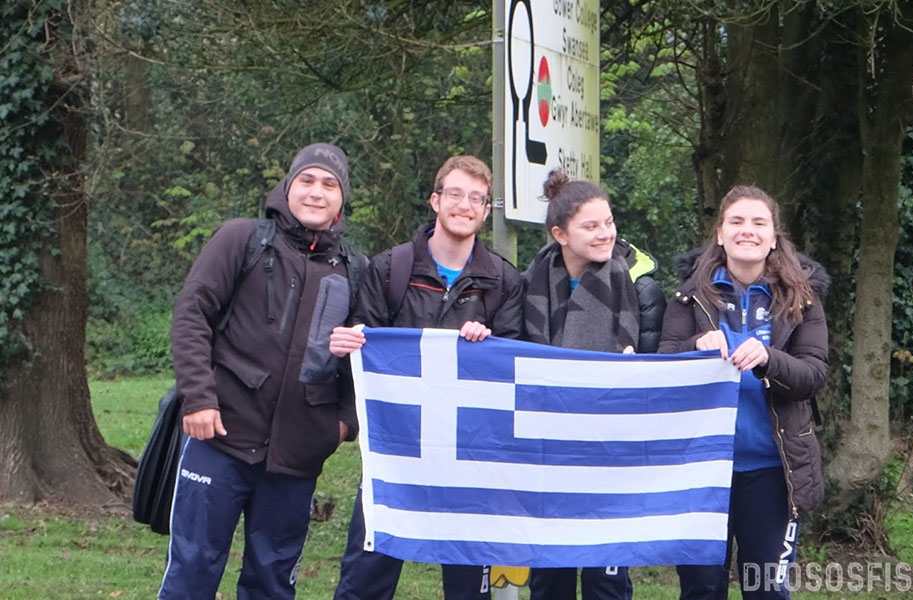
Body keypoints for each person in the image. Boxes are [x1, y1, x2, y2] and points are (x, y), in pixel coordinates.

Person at [161, 143, 367, 599]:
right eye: (307, 181)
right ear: (288, 187)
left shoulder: (355, 269)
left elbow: (365, 357)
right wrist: (198, 396)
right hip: (219, 437)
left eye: (329, 185)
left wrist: (342, 425)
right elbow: (192, 315)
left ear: (341, 199)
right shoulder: (242, 239)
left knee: (272, 582)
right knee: (193, 570)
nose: (317, 192)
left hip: (296, 456)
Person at [328, 155, 524, 600]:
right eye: (455, 194)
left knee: (469, 586)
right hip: (397, 450)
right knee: (366, 576)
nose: (464, 205)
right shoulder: (389, 269)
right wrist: (350, 345)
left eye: (477, 198)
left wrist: (488, 346)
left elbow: (511, 365)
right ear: (436, 200)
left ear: (485, 210)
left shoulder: (504, 281)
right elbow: (365, 351)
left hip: (471, 455)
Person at [657, 185, 829, 600]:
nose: (746, 230)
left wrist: (770, 358)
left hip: (773, 469)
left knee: (766, 589)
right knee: (701, 588)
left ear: (774, 237)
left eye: (758, 223)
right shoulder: (688, 297)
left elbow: (813, 373)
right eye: (736, 222)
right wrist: (693, 349)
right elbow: (663, 366)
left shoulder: (801, 299)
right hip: (702, 470)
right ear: (720, 234)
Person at [521, 170, 666, 600]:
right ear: (559, 234)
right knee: (550, 576)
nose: (605, 234)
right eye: (591, 226)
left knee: (607, 578)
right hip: (548, 448)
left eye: (609, 222)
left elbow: (659, 371)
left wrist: (636, 371)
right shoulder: (529, 282)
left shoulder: (641, 289)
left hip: (612, 449)